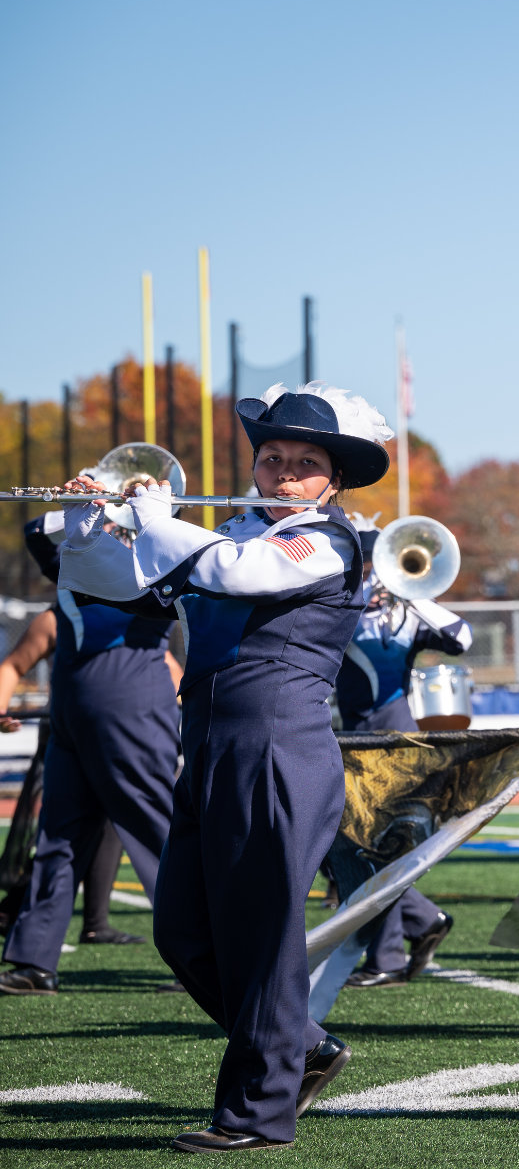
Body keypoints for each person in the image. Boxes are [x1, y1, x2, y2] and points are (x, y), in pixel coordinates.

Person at [55, 382, 390, 1152]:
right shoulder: (233, 534)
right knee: (183, 933)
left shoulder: (327, 541)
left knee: (259, 937)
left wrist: (159, 518)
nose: (282, 474)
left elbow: (242, 573)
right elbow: (111, 585)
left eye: (303, 465)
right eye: (272, 459)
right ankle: (301, 1045)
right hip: (207, 750)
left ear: (331, 481)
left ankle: (257, 1114)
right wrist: (88, 524)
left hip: (277, 750)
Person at [0, 503, 183, 995]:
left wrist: (148, 515)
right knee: (57, 837)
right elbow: (38, 532)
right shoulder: (75, 563)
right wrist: (84, 503)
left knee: (158, 834)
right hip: (72, 718)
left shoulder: (156, 564)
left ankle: (206, 955)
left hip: (133, 711)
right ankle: (34, 960)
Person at [332, 524, 472, 988]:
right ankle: (423, 919)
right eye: (366, 567)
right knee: (354, 848)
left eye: (377, 567)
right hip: (354, 736)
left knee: (380, 848)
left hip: (393, 735)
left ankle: (388, 956)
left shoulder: (405, 616)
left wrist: (411, 593)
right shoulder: (343, 608)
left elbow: (462, 638)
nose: (372, 576)